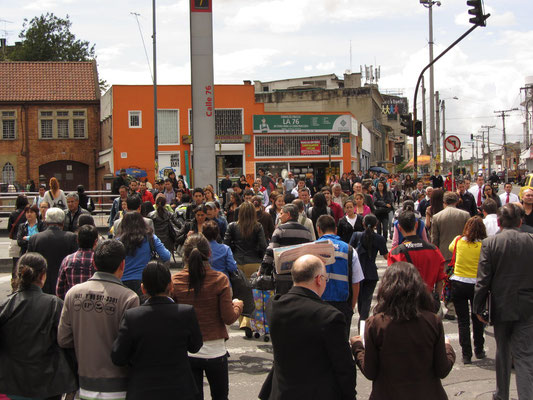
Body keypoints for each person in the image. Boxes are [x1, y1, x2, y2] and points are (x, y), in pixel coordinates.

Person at [351, 261, 455, 400]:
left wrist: (358, 347)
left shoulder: (376, 324)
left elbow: (370, 371)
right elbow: (442, 369)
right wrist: (448, 348)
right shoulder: (432, 321)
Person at [259, 255, 356, 400]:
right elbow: (344, 367)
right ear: (318, 279)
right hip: (317, 393)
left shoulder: (274, 306)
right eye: (325, 279)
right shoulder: (330, 316)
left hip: (281, 392)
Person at [58, 240, 140, 400]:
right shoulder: (128, 297)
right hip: (119, 386)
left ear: (94, 263)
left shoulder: (73, 293)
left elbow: (63, 339)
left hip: (83, 383)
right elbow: (131, 346)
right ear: (122, 264)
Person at [111, 261, 203, 400]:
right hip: (180, 389)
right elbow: (195, 346)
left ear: (143, 289)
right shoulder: (186, 313)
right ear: (171, 286)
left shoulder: (132, 317)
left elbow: (118, 357)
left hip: (142, 390)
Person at [172, 234, 244, 400]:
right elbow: (228, 317)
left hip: (187, 351)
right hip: (215, 351)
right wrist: (238, 305)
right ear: (209, 254)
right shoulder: (220, 280)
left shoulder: (175, 281)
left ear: (185, 255)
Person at [473, 204, 533, 400]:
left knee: (503, 350)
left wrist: (478, 307)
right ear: (520, 221)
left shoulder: (491, 243)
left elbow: (483, 279)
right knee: (525, 355)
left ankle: (502, 394)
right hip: (527, 305)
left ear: (499, 222)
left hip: (501, 305)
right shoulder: (530, 240)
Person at [0, 253, 78, 399]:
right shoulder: (55, 305)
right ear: (43, 276)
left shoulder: (5, 306)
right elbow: (68, 343)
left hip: (12, 383)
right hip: (49, 383)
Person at [316, 215, 364, 337]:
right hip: (342, 305)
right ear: (336, 230)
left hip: (317, 304)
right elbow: (356, 282)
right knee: (341, 343)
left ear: (318, 229)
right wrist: (352, 306)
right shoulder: (349, 250)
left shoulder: (311, 248)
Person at [449, 217, 487, 364]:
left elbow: (451, 249)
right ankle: (479, 348)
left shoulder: (458, 240)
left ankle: (466, 354)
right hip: (477, 284)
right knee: (478, 317)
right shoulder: (484, 244)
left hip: (459, 282)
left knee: (463, 321)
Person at [388, 210, 446, 299]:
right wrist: (436, 298)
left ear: (399, 228)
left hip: (405, 302)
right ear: (416, 225)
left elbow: (392, 282)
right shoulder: (434, 250)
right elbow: (440, 279)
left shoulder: (395, 253)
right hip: (428, 301)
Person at [260, 204, 313, 294]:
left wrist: (262, 269)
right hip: (300, 275)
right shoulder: (306, 232)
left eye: (281, 214)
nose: (280, 217)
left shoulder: (280, 230)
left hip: (282, 276)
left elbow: (270, 251)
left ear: (288, 214)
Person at [117, 211, 171, 296]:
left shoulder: (118, 242)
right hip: (145, 282)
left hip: (123, 282)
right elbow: (166, 256)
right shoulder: (150, 238)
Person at [349, 214, 388, 330]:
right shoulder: (379, 238)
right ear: (376, 225)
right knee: (367, 300)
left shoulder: (356, 235)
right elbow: (386, 255)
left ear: (363, 224)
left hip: (357, 272)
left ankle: (361, 321)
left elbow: (350, 251)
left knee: (359, 300)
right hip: (371, 272)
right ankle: (363, 324)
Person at [28, 207, 78, 294]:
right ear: (63, 222)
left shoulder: (34, 238)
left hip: (41, 285)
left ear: (46, 221)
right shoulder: (71, 237)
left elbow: (29, 262)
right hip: (64, 285)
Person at [224, 201, 267, 278]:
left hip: (236, 263)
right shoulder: (258, 226)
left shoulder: (231, 226)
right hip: (254, 263)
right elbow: (263, 246)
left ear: (240, 213)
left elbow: (226, 246)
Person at [55, 224, 99, 300]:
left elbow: (59, 290)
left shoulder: (67, 260)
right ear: (95, 242)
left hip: (73, 305)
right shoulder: (99, 260)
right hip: (95, 306)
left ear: (77, 240)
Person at [8, 194, 29, 276]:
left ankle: (15, 283)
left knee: (16, 264)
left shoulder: (13, 214)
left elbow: (9, 229)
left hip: (15, 240)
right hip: (26, 240)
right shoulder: (29, 213)